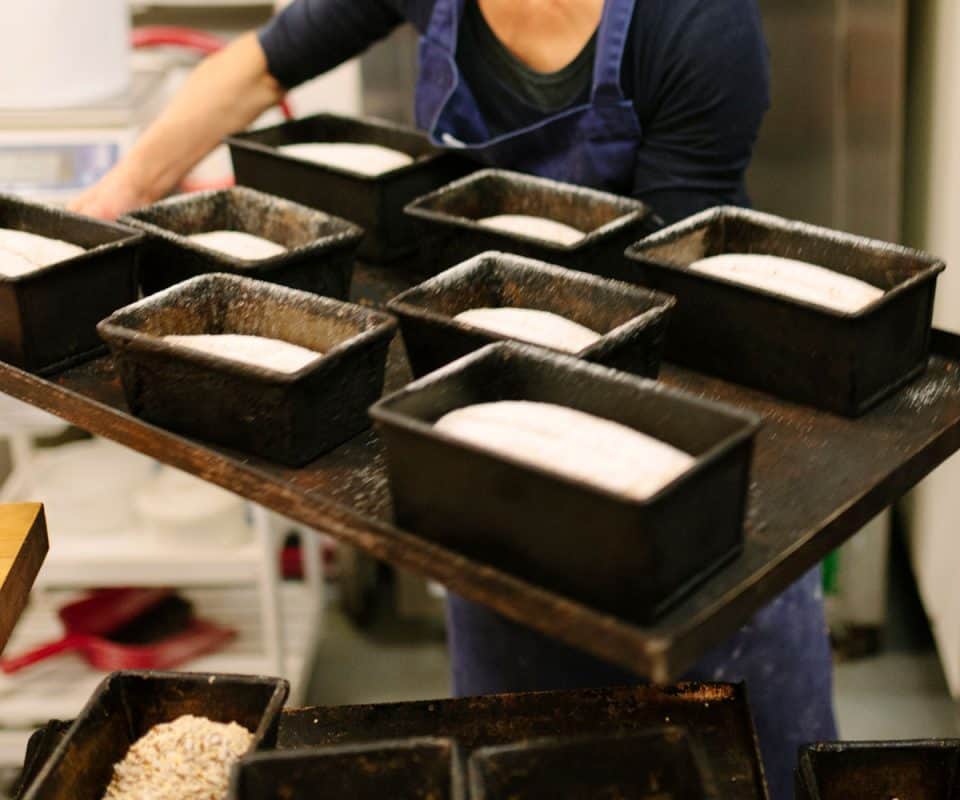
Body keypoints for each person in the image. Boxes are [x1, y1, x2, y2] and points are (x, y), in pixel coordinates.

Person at [73, 1, 836, 795]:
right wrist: (111, 202)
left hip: (673, 439)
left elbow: (665, 294)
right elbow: (262, 64)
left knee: (732, 768)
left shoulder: (696, 25)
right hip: (498, 451)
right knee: (525, 758)